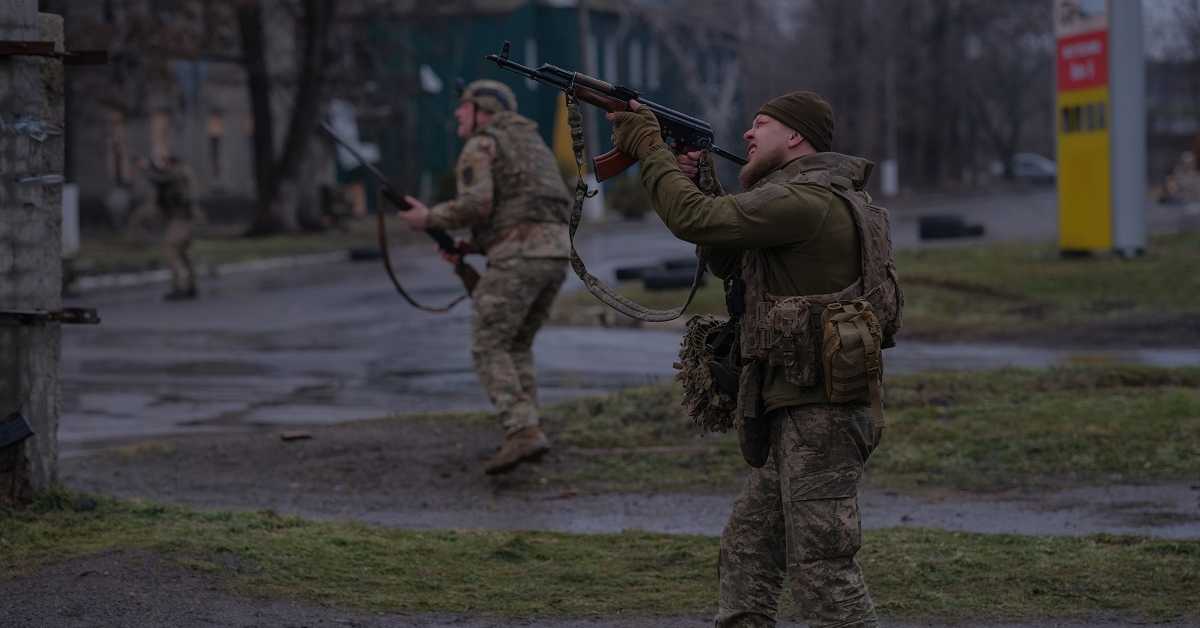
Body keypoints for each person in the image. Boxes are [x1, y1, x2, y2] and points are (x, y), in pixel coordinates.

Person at [608, 91, 901, 627]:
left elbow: (694, 220)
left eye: (760, 124)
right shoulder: (795, 198)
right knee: (749, 545)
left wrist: (648, 146)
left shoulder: (802, 201)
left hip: (822, 415)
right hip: (798, 404)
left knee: (823, 567)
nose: (746, 134)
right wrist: (694, 176)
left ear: (795, 137)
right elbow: (725, 251)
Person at [398, 80, 572, 475]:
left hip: (519, 256)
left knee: (488, 345)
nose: (458, 114)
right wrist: (471, 248)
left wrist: (429, 218)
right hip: (556, 255)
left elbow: (478, 204)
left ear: (483, 112)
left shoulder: (483, 143)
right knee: (516, 344)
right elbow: (524, 209)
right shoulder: (531, 144)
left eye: (464, 107)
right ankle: (530, 427)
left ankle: (522, 430)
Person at [138, 156, 197, 300]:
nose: (164, 166)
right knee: (183, 253)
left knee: (171, 250)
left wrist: (146, 168)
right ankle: (190, 286)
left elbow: (160, 178)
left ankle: (180, 287)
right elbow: (162, 178)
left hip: (180, 220)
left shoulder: (177, 173)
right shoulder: (181, 174)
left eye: (166, 163)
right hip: (184, 220)